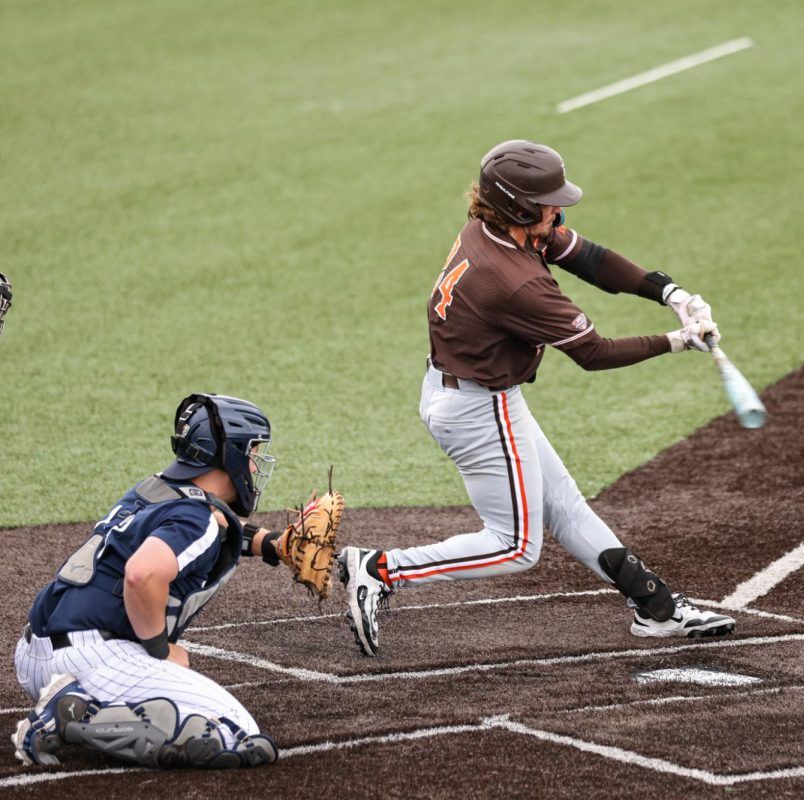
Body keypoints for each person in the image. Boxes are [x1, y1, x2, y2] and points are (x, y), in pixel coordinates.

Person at [337, 140, 736, 657]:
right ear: (520, 207)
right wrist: (676, 341)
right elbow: (594, 353)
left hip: (469, 390)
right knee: (516, 547)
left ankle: (655, 609)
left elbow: (589, 257)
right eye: (549, 203)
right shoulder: (515, 283)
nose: (559, 211)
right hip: (479, 409)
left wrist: (670, 294)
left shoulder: (495, 229)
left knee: (564, 505)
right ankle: (380, 569)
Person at [11, 394, 292, 769]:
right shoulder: (197, 518)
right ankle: (71, 718)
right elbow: (143, 573)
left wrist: (269, 543)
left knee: (205, 723)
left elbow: (213, 527)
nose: (255, 466)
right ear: (230, 455)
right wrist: (160, 649)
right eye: (252, 452)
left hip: (35, 653)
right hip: (94, 658)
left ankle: (88, 705)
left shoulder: (154, 491)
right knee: (233, 731)